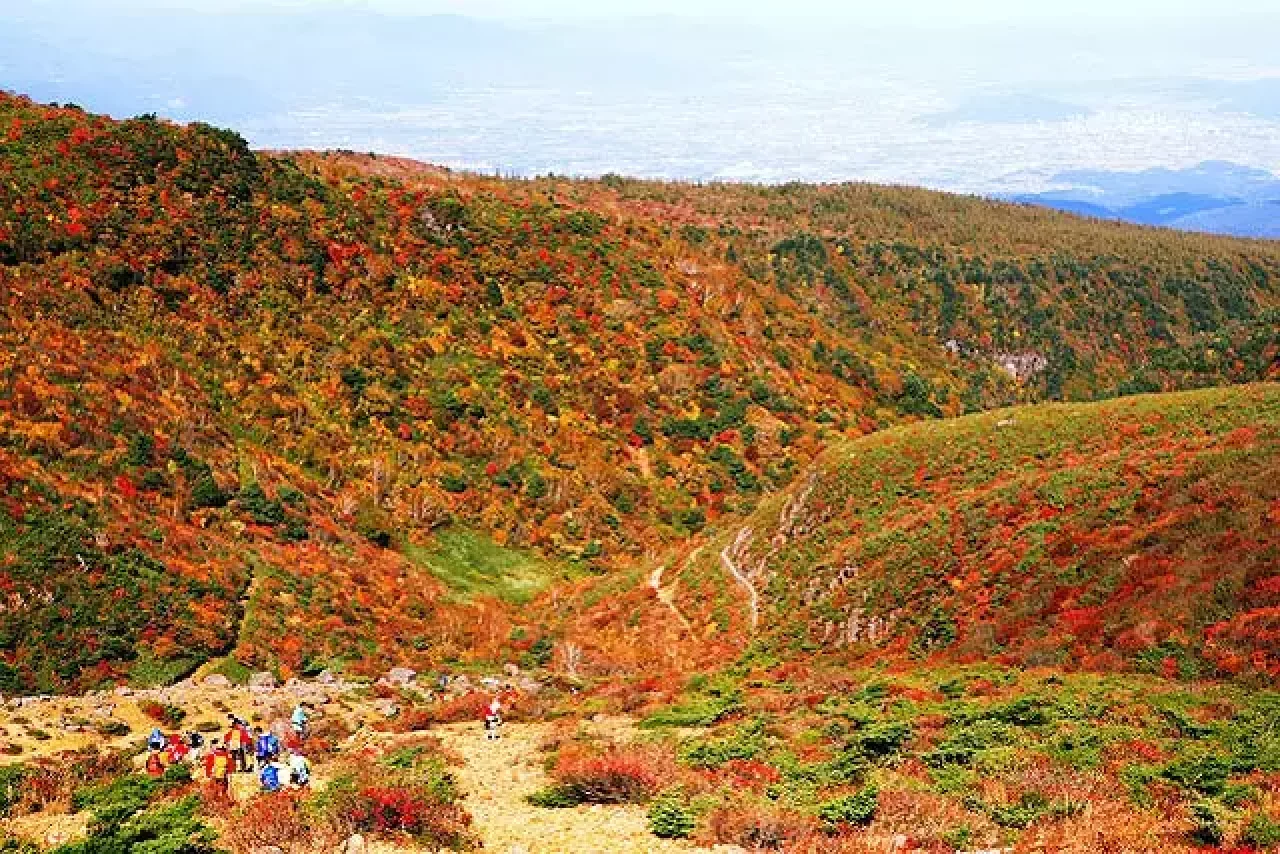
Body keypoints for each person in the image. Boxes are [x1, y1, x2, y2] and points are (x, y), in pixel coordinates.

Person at [203, 739, 233, 803]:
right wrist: (229, 774)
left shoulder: (211, 755)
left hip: (214, 775)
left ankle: (216, 803)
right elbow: (231, 766)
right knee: (224, 789)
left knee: (215, 790)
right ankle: (224, 802)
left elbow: (208, 766)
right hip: (223, 775)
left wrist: (208, 775)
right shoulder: (227, 755)